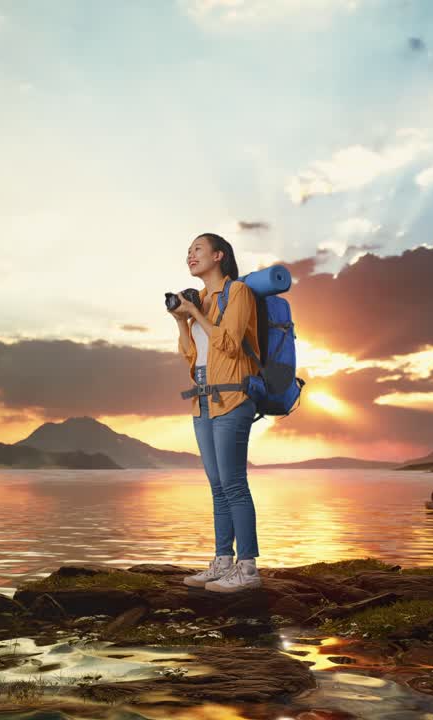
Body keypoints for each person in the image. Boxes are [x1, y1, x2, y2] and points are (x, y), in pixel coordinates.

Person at [168, 232, 263, 592]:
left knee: (234, 483)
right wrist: (182, 320)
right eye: (187, 250)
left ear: (219, 255)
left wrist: (195, 313)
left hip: (234, 398)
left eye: (197, 249)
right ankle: (223, 560)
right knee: (217, 485)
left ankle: (248, 567)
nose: (189, 254)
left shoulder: (237, 293)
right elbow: (192, 358)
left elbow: (229, 344)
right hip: (202, 400)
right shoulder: (202, 300)